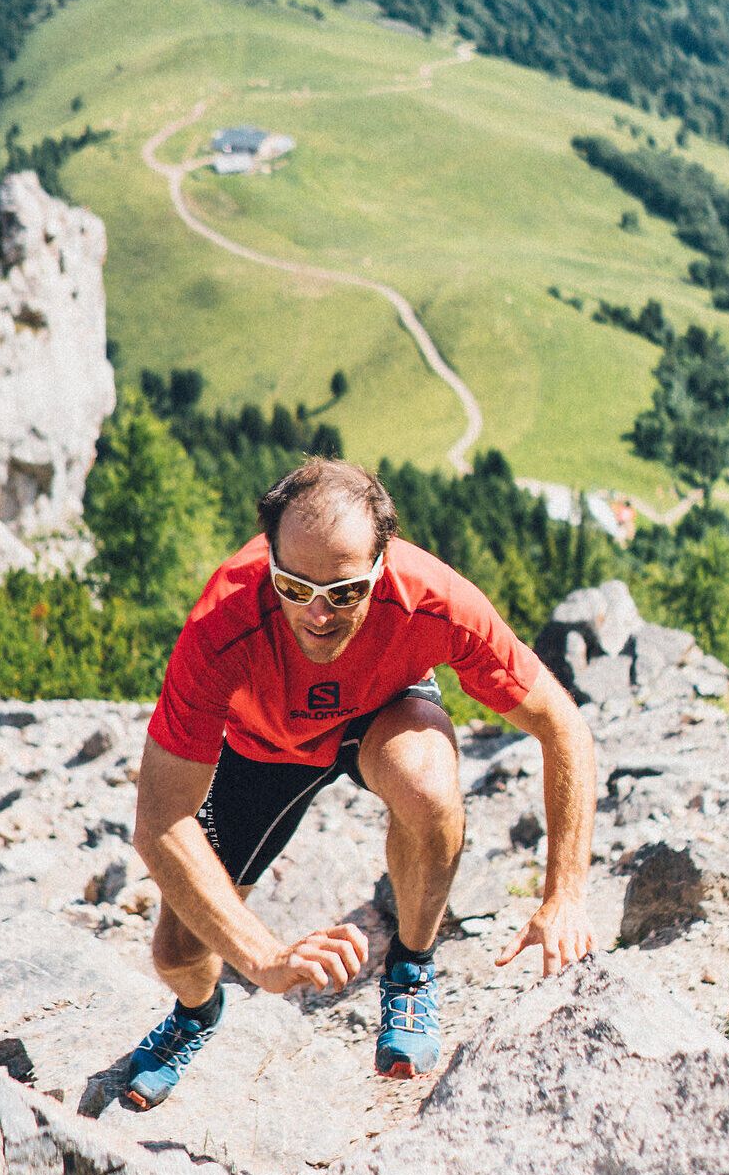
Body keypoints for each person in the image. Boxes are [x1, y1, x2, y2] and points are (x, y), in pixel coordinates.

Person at [125, 457, 596, 1109]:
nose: (318, 614)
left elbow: (560, 724)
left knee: (429, 790)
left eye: (345, 592)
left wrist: (564, 895)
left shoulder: (432, 599)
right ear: (268, 559)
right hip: (266, 748)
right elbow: (159, 823)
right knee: (179, 951)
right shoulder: (222, 624)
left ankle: (409, 967)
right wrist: (262, 957)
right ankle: (196, 1015)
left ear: (383, 562)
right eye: (293, 587)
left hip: (384, 709)